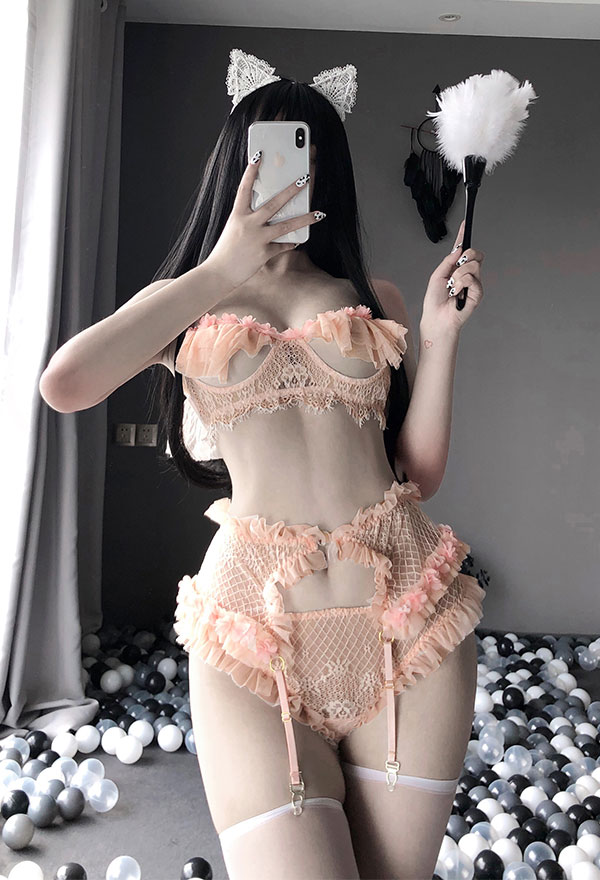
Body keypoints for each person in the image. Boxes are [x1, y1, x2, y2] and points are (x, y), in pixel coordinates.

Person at [40, 49, 486, 880]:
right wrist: (220, 270)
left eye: (307, 153)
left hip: (406, 622)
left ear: (328, 171)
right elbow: (65, 385)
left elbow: (417, 473)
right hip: (256, 643)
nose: (290, 171)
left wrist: (440, 337)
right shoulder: (187, 301)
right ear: (237, 163)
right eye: (271, 152)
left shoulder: (374, 297)